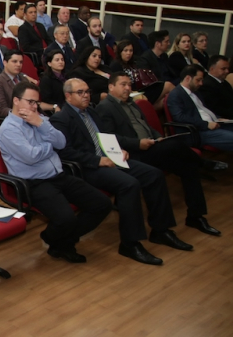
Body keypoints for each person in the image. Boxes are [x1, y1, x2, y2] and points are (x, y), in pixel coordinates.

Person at [51, 78, 190, 265]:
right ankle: (130, 244)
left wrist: (118, 150)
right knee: (129, 185)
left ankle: (161, 230)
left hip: (111, 158)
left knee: (154, 175)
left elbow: (106, 137)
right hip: (89, 167)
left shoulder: (91, 111)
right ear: (68, 96)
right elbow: (65, 152)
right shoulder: (61, 119)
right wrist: (98, 160)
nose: (86, 96)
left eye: (87, 91)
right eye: (80, 92)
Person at [0, 82, 112, 263]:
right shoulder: (9, 129)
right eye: (30, 102)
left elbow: (62, 142)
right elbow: (31, 156)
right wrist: (50, 145)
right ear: (16, 101)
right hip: (34, 183)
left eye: (36, 102)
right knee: (66, 218)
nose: (34, 107)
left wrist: (40, 124)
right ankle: (59, 241)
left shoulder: (40, 120)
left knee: (102, 204)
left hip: (59, 175)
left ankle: (59, 240)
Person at [96, 72, 223, 237]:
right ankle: (202, 163)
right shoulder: (105, 107)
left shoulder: (132, 104)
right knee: (176, 145)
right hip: (134, 154)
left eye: (129, 84)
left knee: (188, 167)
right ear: (111, 87)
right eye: (123, 84)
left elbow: (147, 127)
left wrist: (157, 136)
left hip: (152, 147)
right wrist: (138, 143)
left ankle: (196, 216)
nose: (128, 88)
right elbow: (110, 138)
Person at [167, 64, 233, 151]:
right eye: (198, 80)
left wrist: (218, 118)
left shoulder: (196, 92)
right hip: (198, 131)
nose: (201, 83)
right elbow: (180, 117)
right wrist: (206, 124)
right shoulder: (176, 94)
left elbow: (204, 110)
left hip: (214, 124)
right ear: (188, 78)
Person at [109, 40, 170, 109]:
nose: (128, 53)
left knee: (167, 93)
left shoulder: (133, 63)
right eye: (125, 51)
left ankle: (152, 110)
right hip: (130, 91)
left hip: (140, 89)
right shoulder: (116, 65)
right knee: (163, 95)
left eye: (131, 51)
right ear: (120, 52)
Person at [0, 50, 36, 117]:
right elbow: (2, 110)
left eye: (21, 62)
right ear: (5, 63)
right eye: (14, 61)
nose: (18, 65)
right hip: (15, 119)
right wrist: (23, 113)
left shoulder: (24, 79)